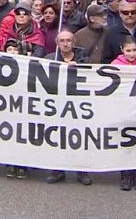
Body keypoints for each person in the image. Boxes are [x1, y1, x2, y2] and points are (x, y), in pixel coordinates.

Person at [45, 29, 92, 186]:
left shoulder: (83, 57)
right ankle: (57, 170)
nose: (65, 44)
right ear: (57, 43)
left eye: (68, 41)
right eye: (62, 41)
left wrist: (78, 67)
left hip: (78, 104)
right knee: (57, 137)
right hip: (57, 104)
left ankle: (81, 170)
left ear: (74, 42)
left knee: (78, 137)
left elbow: (92, 75)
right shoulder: (50, 58)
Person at [110, 36, 136, 191]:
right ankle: (125, 174)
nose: (131, 54)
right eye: (128, 50)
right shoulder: (115, 65)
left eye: (134, 50)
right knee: (125, 140)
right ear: (121, 50)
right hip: (123, 108)